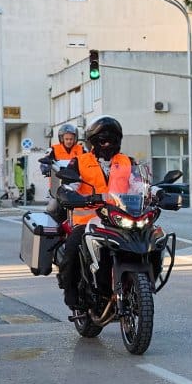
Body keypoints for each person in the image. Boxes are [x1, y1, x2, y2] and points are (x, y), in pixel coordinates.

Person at [58, 116, 135, 311]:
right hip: (88, 221)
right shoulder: (80, 162)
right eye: (102, 139)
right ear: (93, 141)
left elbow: (141, 184)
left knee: (150, 238)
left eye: (111, 139)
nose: (107, 143)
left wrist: (157, 192)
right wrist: (70, 194)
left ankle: (138, 284)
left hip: (120, 220)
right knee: (72, 247)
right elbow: (69, 185)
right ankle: (70, 290)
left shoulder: (127, 162)